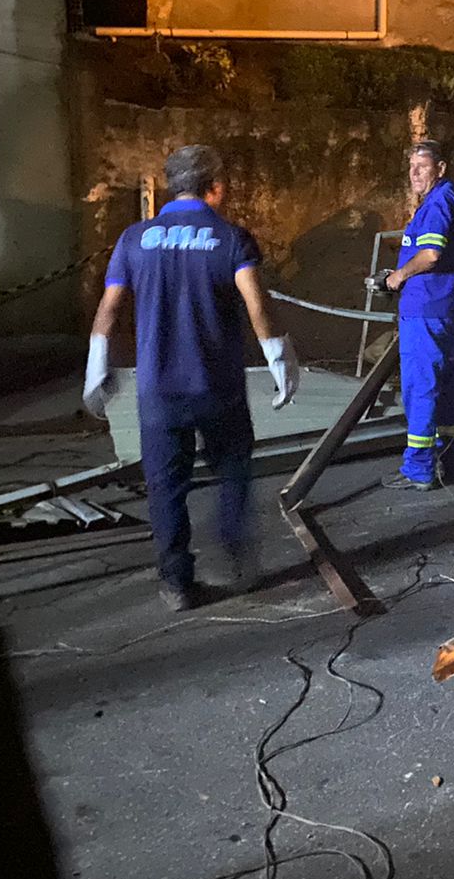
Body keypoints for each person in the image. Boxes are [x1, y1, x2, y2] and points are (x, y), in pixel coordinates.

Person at [83, 145, 299, 610]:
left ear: (170, 185)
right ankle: (237, 555)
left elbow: (109, 308)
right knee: (233, 468)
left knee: (165, 486)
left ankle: (177, 584)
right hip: (216, 387)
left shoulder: (134, 240)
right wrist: (281, 363)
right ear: (215, 186)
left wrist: (96, 369)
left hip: (158, 391)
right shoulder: (230, 239)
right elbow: (256, 304)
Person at [376, 140, 454, 491]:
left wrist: (398, 277)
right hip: (445, 305)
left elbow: (432, 253)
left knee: (420, 387)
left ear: (440, 168)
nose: (414, 174)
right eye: (411, 167)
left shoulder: (439, 201)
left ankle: (418, 468)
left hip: (429, 307)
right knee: (446, 386)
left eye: (422, 166)